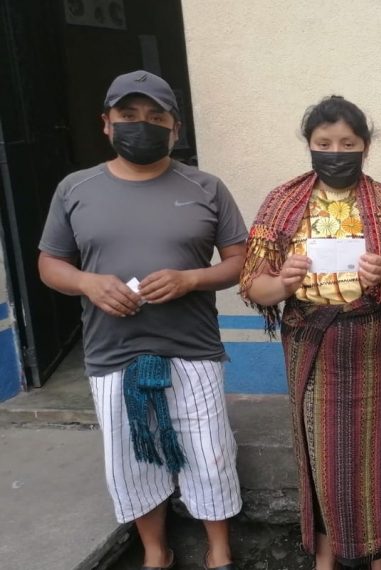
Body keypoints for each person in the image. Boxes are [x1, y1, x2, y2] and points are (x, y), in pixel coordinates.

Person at [38, 70, 245, 570]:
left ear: (175, 128)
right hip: (113, 352)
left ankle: (218, 550)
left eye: (156, 117)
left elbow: (241, 263)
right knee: (132, 461)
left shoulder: (206, 187)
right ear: (106, 123)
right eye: (128, 115)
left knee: (210, 454)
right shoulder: (76, 188)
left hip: (192, 348)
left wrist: (191, 279)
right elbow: (50, 264)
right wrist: (88, 283)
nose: (142, 125)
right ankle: (156, 552)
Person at [240, 96, 381, 570]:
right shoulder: (282, 203)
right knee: (323, 456)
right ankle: (326, 559)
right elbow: (253, 283)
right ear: (310, 145)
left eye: (348, 143)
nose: (336, 152)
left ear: (365, 146)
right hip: (315, 347)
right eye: (325, 142)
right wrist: (283, 282)